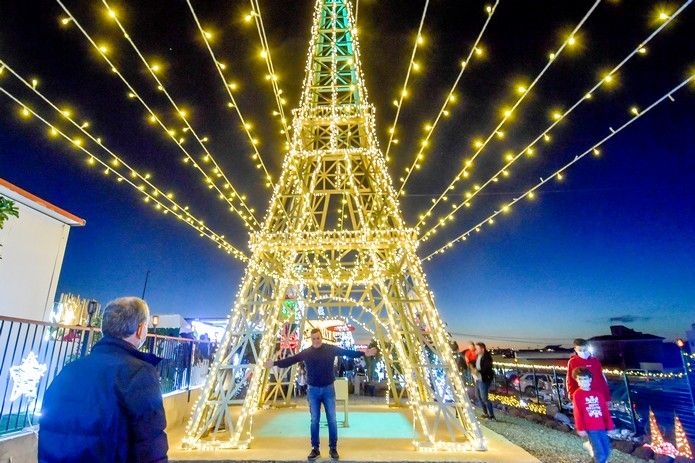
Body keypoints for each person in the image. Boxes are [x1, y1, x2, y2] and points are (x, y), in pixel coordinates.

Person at [39, 297, 168, 463]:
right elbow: (149, 444)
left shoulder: (69, 370)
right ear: (140, 329)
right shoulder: (139, 373)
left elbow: (49, 431)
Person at [264, 329, 377, 461]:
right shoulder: (307, 352)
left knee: (332, 420)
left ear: (321, 337)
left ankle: (333, 448)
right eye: (313, 339)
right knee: (314, 420)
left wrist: (364, 353)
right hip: (313, 391)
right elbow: (292, 360)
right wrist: (274, 363)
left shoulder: (330, 349)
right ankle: (315, 449)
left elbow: (347, 352)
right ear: (311, 339)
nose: (316, 341)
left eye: (318, 338)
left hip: (328, 389)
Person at [572, 367, 614, 463]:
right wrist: (580, 428)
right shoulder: (577, 394)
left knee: (606, 451)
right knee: (600, 453)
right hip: (590, 428)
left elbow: (604, 411)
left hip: (601, 426)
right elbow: (577, 412)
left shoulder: (598, 394)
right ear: (577, 381)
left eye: (585, 378)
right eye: (580, 379)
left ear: (590, 379)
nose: (583, 381)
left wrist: (610, 425)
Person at [474, 342, 496, 420]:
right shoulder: (478, 356)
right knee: (478, 396)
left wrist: (477, 371)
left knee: (484, 398)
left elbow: (487, 368)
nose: (475, 350)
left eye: (477, 348)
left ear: (482, 349)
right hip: (478, 379)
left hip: (484, 379)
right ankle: (485, 413)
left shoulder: (487, 357)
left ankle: (492, 416)